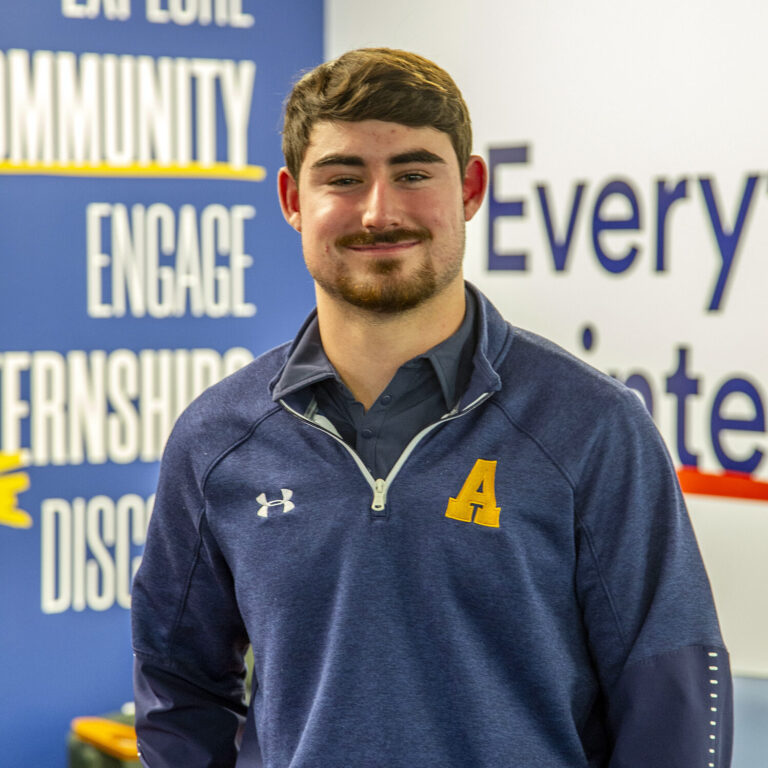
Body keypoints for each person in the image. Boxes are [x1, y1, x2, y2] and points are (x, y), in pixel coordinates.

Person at [131, 48, 733, 767]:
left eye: (414, 174)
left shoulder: (592, 429)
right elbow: (178, 688)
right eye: (344, 179)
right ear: (293, 201)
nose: (380, 211)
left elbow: (672, 705)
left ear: (470, 189)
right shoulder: (217, 440)